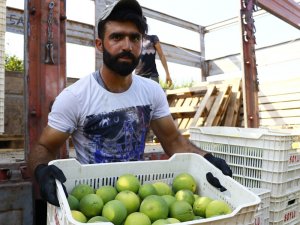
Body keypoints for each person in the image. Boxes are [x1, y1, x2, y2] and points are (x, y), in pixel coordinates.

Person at [28, 0, 232, 209]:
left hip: (138, 199)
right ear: (100, 45)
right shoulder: (76, 96)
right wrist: (42, 170)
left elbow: (173, 141)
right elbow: (44, 146)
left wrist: (207, 159)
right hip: (94, 201)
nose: (127, 46)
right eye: (117, 37)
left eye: (134, 38)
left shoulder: (151, 92)